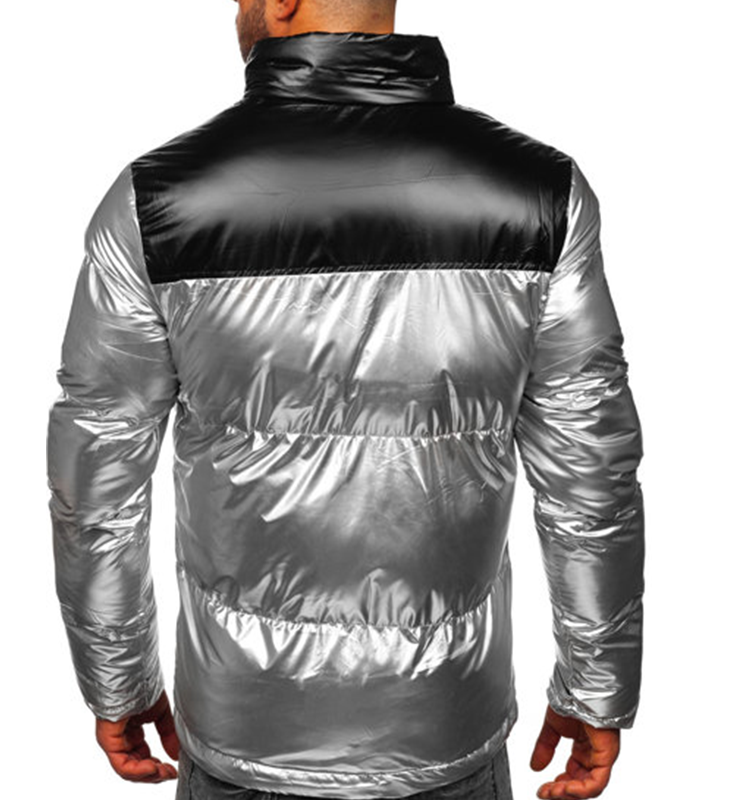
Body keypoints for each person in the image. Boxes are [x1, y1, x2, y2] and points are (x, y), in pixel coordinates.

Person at [46, 1, 645, 799]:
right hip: (445, 727)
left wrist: (117, 679)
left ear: (283, 1)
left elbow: (97, 488)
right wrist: (597, 684)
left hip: (246, 729)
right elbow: (592, 481)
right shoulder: (542, 196)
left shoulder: (155, 204)